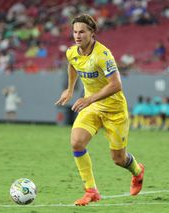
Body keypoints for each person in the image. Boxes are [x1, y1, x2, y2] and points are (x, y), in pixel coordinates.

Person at [55, 14, 144, 206]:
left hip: (114, 111)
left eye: (82, 32)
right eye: (75, 32)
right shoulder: (71, 52)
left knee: (118, 159)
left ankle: (137, 171)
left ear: (92, 33)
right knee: (77, 142)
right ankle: (91, 191)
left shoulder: (103, 55)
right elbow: (72, 65)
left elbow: (116, 85)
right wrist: (70, 89)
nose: (77, 35)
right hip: (93, 107)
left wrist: (88, 98)